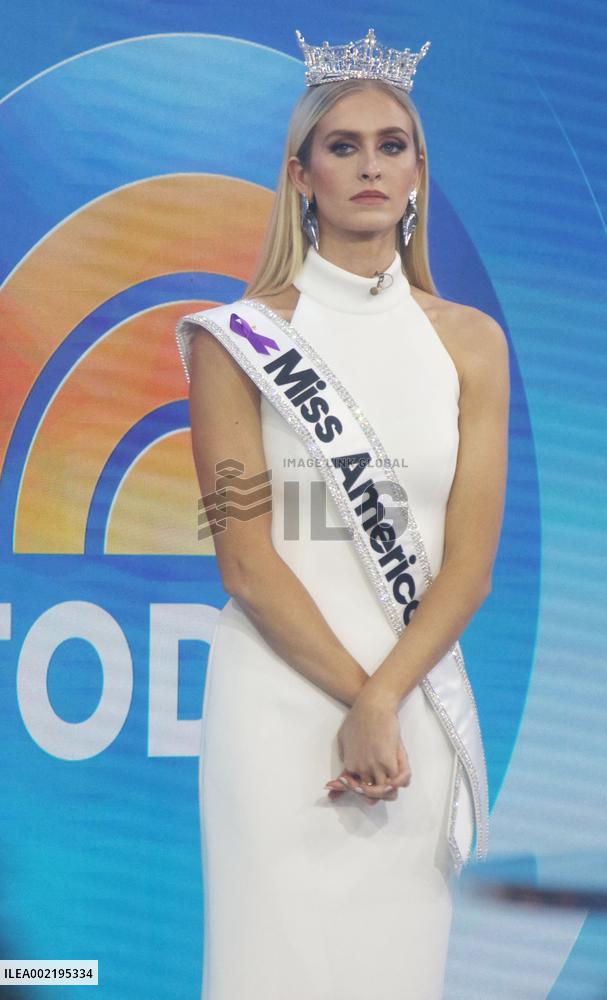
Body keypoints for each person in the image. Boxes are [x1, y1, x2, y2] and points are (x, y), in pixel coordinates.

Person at [175, 27, 509, 1000]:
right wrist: (355, 697)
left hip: (409, 713)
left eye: (391, 145)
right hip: (275, 708)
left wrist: (383, 699)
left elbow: (469, 566)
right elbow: (244, 563)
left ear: (417, 173)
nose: (370, 165)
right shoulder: (238, 339)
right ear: (300, 172)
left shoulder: (471, 345)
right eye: (344, 145)